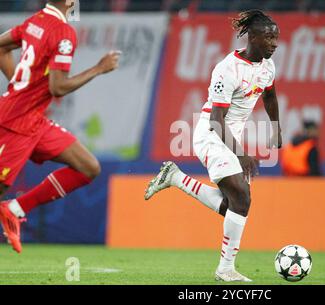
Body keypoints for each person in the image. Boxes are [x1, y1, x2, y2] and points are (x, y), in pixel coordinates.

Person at [144, 10, 281, 282]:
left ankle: (176, 178)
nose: (274, 43)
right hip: (212, 134)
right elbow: (217, 120)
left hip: (233, 137)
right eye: (268, 37)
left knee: (236, 205)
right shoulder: (227, 69)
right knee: (242, 197)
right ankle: (225, 270)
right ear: (251, 37)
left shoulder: (268, 66)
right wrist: (241, 155)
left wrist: (275, 127)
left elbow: (270, 96)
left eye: (276, 37)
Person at [0, 0, 121, 253]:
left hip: (34, 120)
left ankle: (15, 208)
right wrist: (99, 69)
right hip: (16, 124)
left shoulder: (35, 21)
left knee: (88, 167)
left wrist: (21, 87)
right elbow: (58, 87)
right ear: (69, 2)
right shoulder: (63, 32)